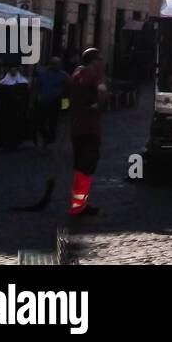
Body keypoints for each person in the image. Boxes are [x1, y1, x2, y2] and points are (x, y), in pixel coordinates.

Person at [68, 48, 108, 217]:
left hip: (75, 127)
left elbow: (65, 97)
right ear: (93, 61)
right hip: (90, 127)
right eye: (100, 59)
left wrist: (66, 112)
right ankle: (78, 205)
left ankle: (78, 203)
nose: (102, 62)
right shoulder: (95, 75)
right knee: (88, 164)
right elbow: (103, 93)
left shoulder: (75, 75)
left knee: (79, 165)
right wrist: (99, 106)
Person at [32, 57, 69, 151]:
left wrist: (65, 107)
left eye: (59, 64)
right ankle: (47, 136)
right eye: (57, 64)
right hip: (43, 102)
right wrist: (35, 99)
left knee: (53, 123)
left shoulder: (64, 76)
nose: (59, 66)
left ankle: (49, 140)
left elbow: (67, 93)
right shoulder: (43, 74)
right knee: (39, 122)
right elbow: (37, 87)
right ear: (51, 64)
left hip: (56, 103)